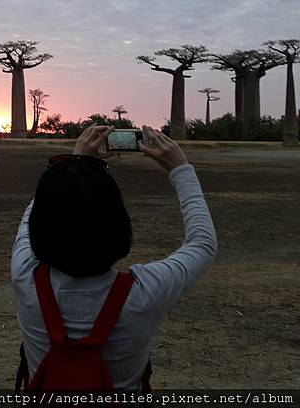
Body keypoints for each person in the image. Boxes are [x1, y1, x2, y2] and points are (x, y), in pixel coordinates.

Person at [11, 124, 218, 390]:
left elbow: (36, 214)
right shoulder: (145, 292)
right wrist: (181, 169)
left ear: (43, 225)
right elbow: (203, 244)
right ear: (118, 223)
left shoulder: (25, 275)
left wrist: (76, 164)